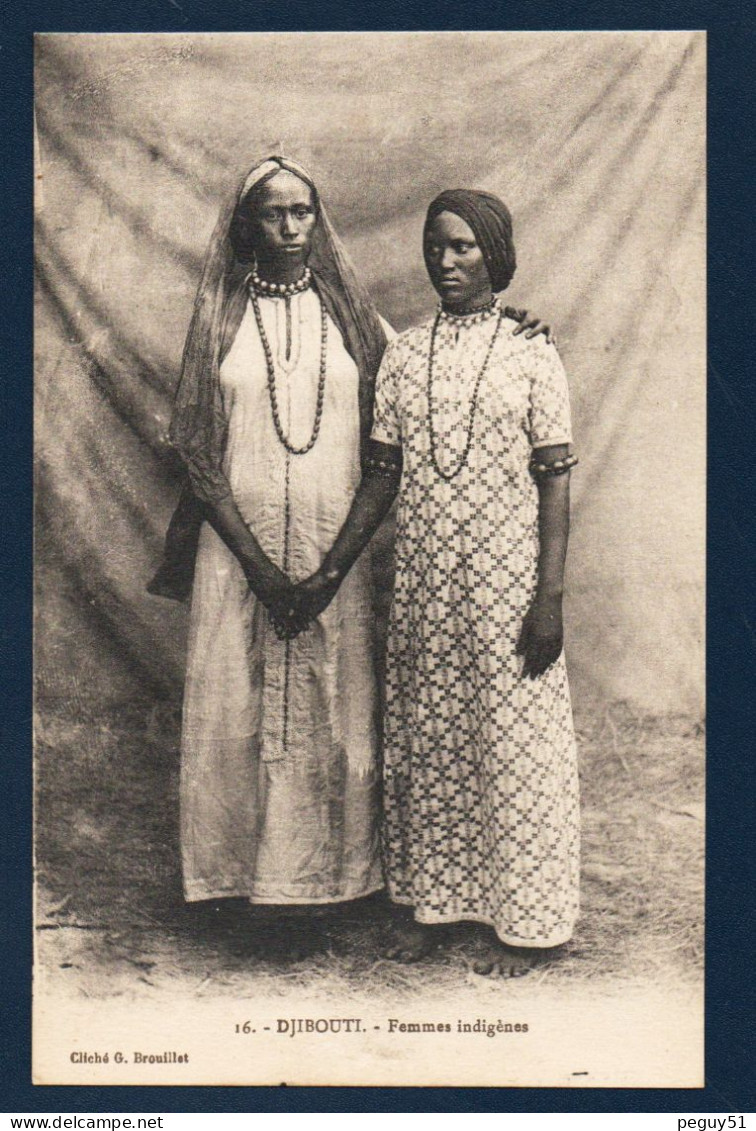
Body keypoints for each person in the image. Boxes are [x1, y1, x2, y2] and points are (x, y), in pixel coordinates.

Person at [149, 159, 554, 957]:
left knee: (332, 708)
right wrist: (259, 566)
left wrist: (516, 327)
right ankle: (239, 882)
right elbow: (197, 446)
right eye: (274, 214)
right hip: (240, 554)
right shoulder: (221, 315)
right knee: (242, 698)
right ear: (248, 225)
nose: (293, 227)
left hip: (336, 548)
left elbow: (437, 371)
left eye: (304, 211)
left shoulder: (350, 314)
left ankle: (328, 884)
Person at [292, 188, 579, 975]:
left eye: (463, 247)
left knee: (513, 747)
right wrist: (328, 569)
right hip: (425, 589)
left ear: (495, 254)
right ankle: (434, 903)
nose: (444, 261)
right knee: (432, 742)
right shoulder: (405, 355)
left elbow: (555, 484)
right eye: (436, 245)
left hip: (508, 590)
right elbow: (380, 479)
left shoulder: (531, 353)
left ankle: (529, 923)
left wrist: (548, 599)